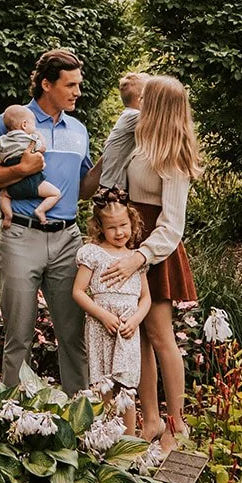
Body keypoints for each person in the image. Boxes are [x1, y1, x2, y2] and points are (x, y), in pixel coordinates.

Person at [0, 50, 101, 395]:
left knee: (72, 334)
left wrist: (108, 161)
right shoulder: (13, 121)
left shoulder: (78, 129)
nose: (78, 92)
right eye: (71, 84)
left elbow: (83, 190)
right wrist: (20, 170)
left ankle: (82, 415)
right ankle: (16, 417)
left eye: (79, 84)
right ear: (46, 84)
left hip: (68, 240)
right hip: (21, 234)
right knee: (18, 335)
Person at [100, 76, 201, 452]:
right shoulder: (140, 144)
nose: (139, 101)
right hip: (129, 242)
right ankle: (151, 419)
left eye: (146, 97)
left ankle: (176, 425)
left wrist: (139, 258)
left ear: (157, 104)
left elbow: (173, 223)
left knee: (160, 336)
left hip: (153, 251)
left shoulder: (174, 155)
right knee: (137, 337)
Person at [72, 188, 151, 434]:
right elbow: (78, 291)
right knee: (104, 386)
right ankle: (104, 441)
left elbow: (146, 297)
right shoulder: (93, 254)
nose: (119, 233)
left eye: (124, 225)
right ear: (100, 228)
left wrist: (136, 320)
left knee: (127, 387)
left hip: (127, 329)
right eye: (112, 228)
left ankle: (129, 443)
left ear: (132, 222)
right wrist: (103, 316)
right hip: (101, 327)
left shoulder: (135, 259)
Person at [0, 104, 63, 229]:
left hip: (13, 185)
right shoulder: (30, 139)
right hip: (34, 181)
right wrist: (39, 135)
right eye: (33, 124)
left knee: (3, 195)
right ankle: (40, 211)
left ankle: (8, 216)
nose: (34, 127)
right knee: (55, 194)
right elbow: (43, 148)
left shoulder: (2, 140)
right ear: (24, 125)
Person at [98, 71, 149, 190]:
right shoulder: (133, 117)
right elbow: (164, 123)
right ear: (140, 99)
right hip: (113, 189)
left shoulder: (128, 116)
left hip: (112, 185)